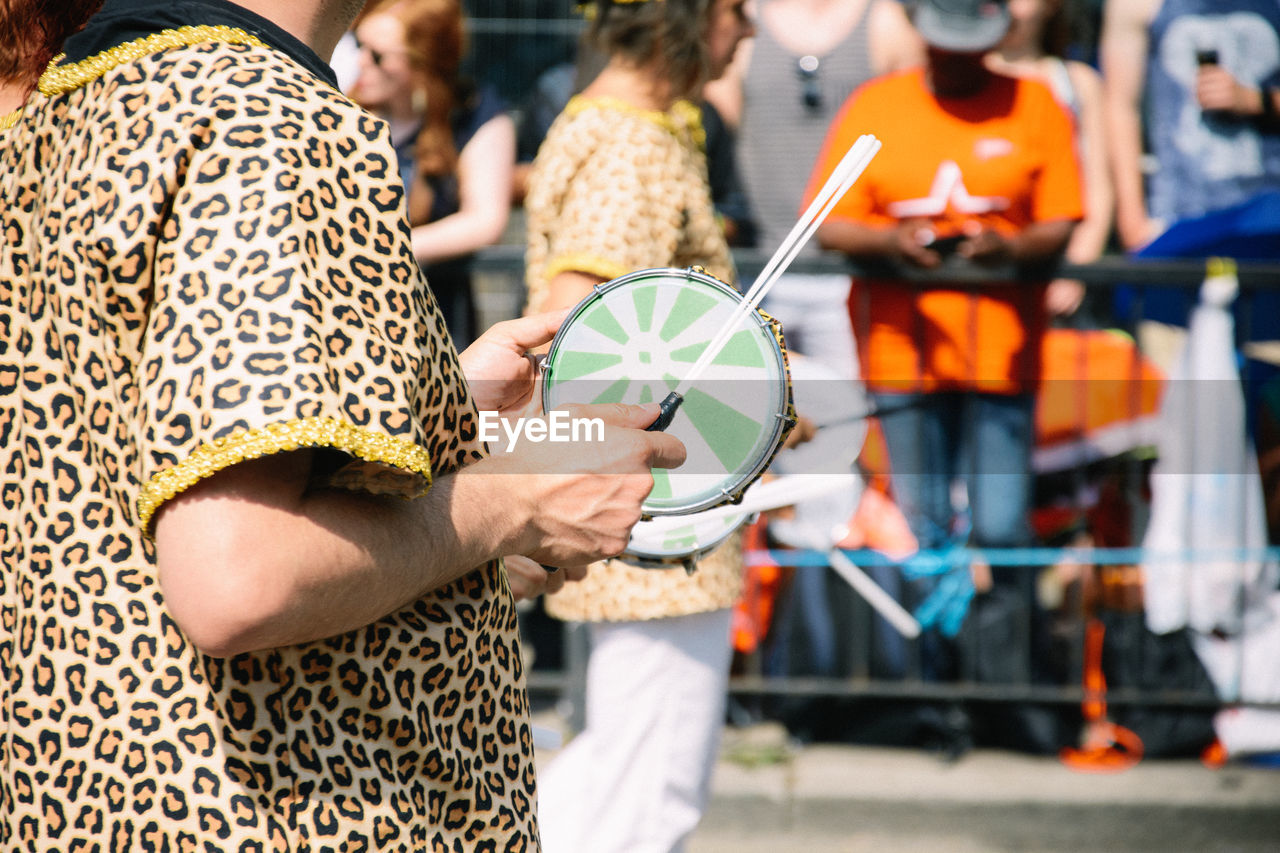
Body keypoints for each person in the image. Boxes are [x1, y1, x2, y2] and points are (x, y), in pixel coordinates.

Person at [0, 0, 688, 848]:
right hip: (287, 811)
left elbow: (111, 453)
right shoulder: (261, 116)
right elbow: (238, 580)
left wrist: (437, 401)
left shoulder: (82, 101)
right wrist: (519, 496)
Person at [521, 0, 755, 848]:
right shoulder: (630, 142)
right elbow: (570, 324)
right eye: (735, 9)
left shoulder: (632, 126)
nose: (749, 30)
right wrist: (747, 395)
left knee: (633, 772)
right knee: (644, 794)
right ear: (686, 16)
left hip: (651, 508)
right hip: (655, 515)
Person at [806, 0, 1082, 690]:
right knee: (921, 520)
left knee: (1000, 520)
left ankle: (1000, 682)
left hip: (1001, 353)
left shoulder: (1036, 104)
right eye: (942, 45)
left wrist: (1009, 248)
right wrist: (892, 243)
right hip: (902, 351)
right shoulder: (878, 106)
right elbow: (829, 223)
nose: (954, 58)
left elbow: (1061, 219)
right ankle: (929, 684)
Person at [703, 0, 922, 378]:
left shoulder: (885, 20)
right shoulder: (745, 18)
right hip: (760, 268)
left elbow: (915, 133)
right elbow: (716, 142)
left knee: (846, 421)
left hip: (850, 273)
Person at [348, 0, 516, 349]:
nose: (362, 62)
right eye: (359, 46)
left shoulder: (474, 116)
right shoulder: (342, 110)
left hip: (432, 320)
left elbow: (485, 219)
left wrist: (389, 249)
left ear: (422, 63)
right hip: (351, 312)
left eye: (378, 55)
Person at [1101, 0, 1280, 252]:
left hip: (1270, 218)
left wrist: (1259, 101)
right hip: (1176, 219)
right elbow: (1120, 106)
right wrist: (1133, 223)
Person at [987, 0, 1113, 318]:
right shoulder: (961, 79)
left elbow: (1097, 187)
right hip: (981, 271)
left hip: (1055, 273)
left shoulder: (1078, 83)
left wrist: (1076, 269)